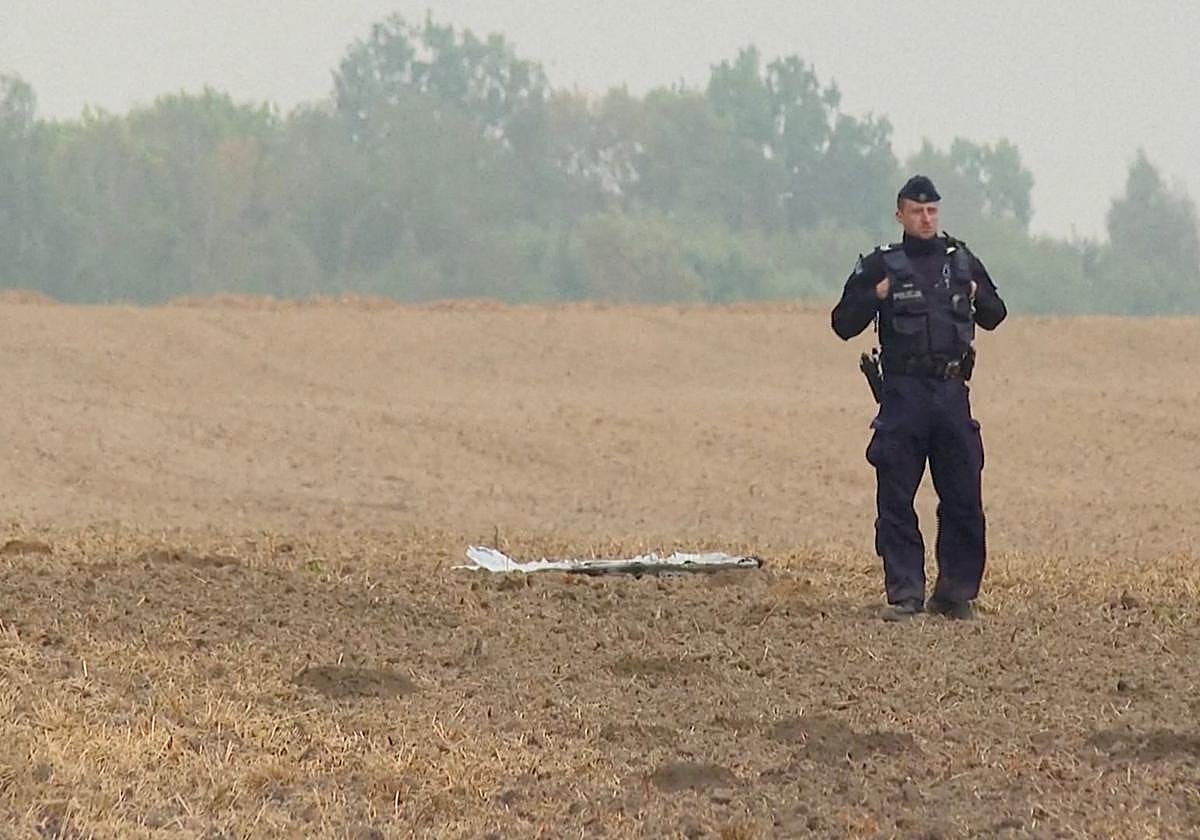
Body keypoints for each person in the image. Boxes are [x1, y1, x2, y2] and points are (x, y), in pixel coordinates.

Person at [831, 174, 1007, 621]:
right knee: (896, 497)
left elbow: (995, 315)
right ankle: (906, 593)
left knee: (964, 495)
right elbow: (842, 323)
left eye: (931, 211)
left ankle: (955, 592)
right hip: (904, 394)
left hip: (951, 392)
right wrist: (875, 297)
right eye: (916, 211)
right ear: (900, 215)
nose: (925, 218)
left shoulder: (962, 262)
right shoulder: (881, 266)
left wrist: (976, 292)